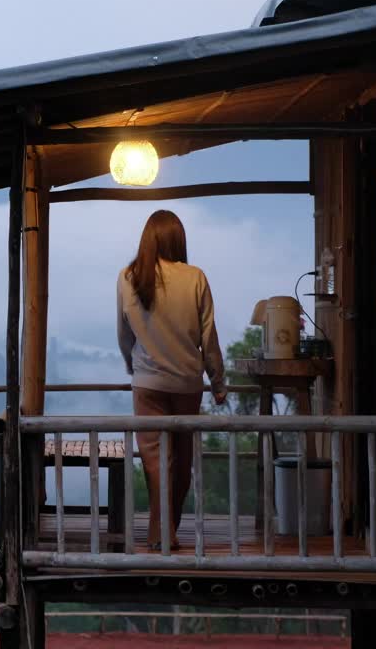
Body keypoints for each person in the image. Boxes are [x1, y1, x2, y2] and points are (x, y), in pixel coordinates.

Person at [117, 209, 226, 550]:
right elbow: (208, 337)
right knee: (181, 460)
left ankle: (160, 532)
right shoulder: (195, 277)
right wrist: (218, 382)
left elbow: (124, 333)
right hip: (187, 384)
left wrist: (131, 366)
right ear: (179, 240)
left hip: (148, 384)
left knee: (156, 462)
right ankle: (166, 530)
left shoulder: (129, 276)